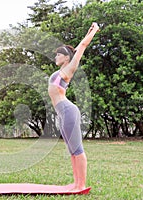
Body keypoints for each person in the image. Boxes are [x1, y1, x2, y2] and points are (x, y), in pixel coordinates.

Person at [48, 22, 100, 192]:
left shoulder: (70, 69)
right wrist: (88, 31)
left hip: (68, 110)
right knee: (72, 150)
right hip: (61, 112)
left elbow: (82, 47)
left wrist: (94, 30)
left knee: (77, 148)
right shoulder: (63, 67)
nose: (56, 57)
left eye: (58, 55)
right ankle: (76, 182)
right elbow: (76, 49)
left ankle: (81, 185)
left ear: (66, 58)